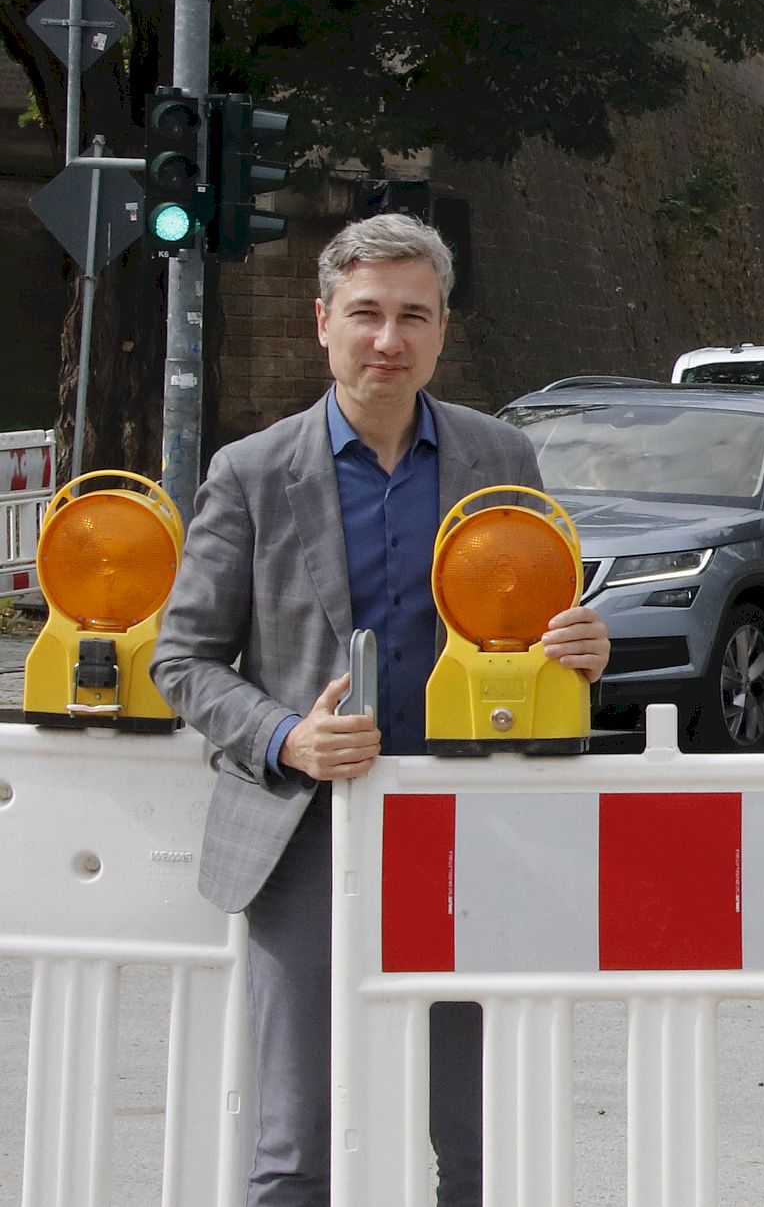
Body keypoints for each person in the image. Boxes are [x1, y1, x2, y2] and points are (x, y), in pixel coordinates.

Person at [152, 214, 611, 1207]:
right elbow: (182, 659)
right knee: (294, 1144)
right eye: (365, 314)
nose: (387, 341)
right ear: (323, 323)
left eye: (413, 316)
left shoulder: (501, 459)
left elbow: (531, 636)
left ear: (443, 330)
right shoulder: (253, 473)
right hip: (307, 832)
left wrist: (581, 652)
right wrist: (287, 736)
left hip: (467, 836)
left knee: (481, 1138)